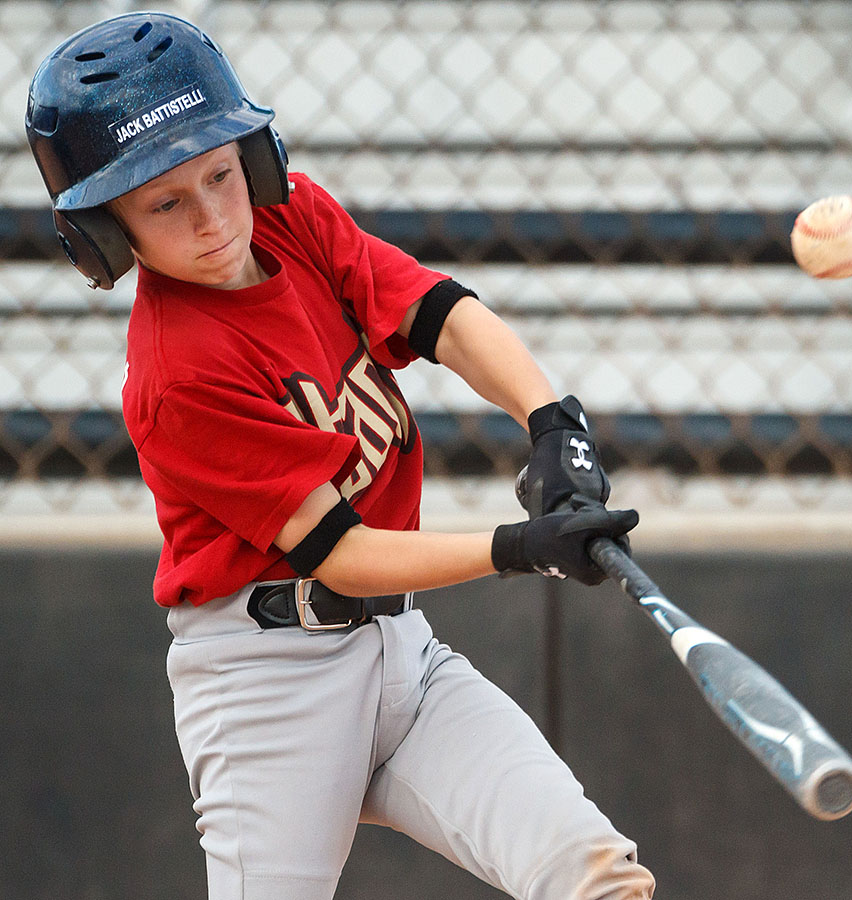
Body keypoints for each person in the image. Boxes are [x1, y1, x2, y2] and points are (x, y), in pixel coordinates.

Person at [27, 12, 655, 900]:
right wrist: (518, 547)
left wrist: (554, 421)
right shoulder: (179, 373)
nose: (212, 220)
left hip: (404, 654)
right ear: (104, 232)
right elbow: (342, 554)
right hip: (265, 689)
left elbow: (436, 314)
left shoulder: (288, 216)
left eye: (219, 175)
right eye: (164, 202)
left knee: (593, 877)